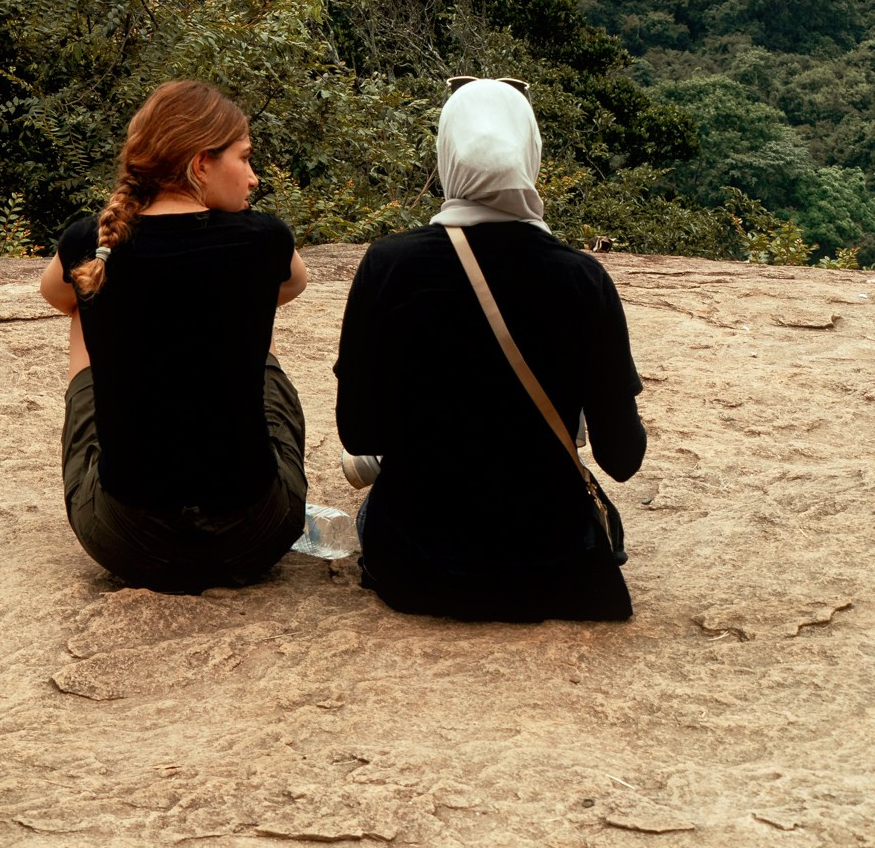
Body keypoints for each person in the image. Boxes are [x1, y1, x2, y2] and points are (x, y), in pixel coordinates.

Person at [333, 78, 646, 623]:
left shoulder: (390, 266)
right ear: (530, 154)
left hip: (421, 570)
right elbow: (623, 458)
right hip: (554, 568)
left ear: (447, 154)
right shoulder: (582, 280)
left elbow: (359, 434)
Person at [39, 80, 311, 592]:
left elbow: (55, 293)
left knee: (83, 308)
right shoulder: (263, 237)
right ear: (200, 163)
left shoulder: (92, 241)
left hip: (128, 543)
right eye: (245, 159)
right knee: (257, 332)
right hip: (256, 536)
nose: (253, 178)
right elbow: (294, 284)